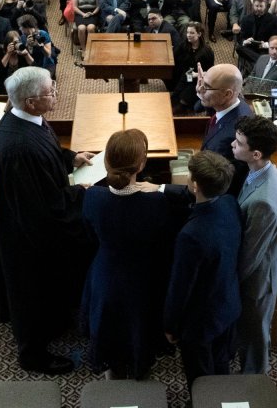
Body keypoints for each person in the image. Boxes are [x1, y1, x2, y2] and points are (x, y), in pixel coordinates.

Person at [0, 66, 93, 374]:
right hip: (29, 238)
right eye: (50, 92)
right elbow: (44, 205)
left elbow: (47, 150)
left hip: (31, 224)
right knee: (31, 293)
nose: (57, 94)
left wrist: (69, 158)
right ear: (31, 101)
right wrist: (80, 192)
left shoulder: (24, 120)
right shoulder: (20, 146)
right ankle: (34, 356)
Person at [80, 129, 185, 379]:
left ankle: (112, 371)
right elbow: (166, 239)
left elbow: (89, 234)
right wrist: (160, 188)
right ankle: (140, 368)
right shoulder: (157, 203)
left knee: (109, 322)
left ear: (106, 163)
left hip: (106, 272)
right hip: (143, 276)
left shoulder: (93, 197)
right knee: (140, 322)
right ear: (142, 164)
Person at [163, 150, 242, 386]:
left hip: (200, 321)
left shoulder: (191, 235)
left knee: (201, 379)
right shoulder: (230, 203)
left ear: (195, 186)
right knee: (221, 365)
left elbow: (180, 288)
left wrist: (170, 325)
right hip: (227, 305)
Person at [232, 115, 277, 375]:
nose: (232, 144)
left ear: (255, 153)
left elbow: (250, 256)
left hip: (258, 281)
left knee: (255, 339)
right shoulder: (264, 171)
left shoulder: (263, 201)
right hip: (265, 270)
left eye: (239, 142)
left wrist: (229, 283)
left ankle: (254, 384)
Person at [196, 62, 252, 195]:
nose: (201, 89)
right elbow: (197, 107)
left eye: (207, 87)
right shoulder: (236, 103)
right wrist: (202, 92)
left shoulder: (231, 137)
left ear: (227, 94)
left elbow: (212, 183)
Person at [170, 22, 214, 113]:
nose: (188, 35)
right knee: (175, 96)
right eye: (187, 32)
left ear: (199, 34)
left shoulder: (207, 52)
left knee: (182, 102)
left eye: (192, 33)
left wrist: (197, 74)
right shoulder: (185, 44)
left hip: (198, 80)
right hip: (186, 74)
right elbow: (174, 55)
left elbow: (210, 72)